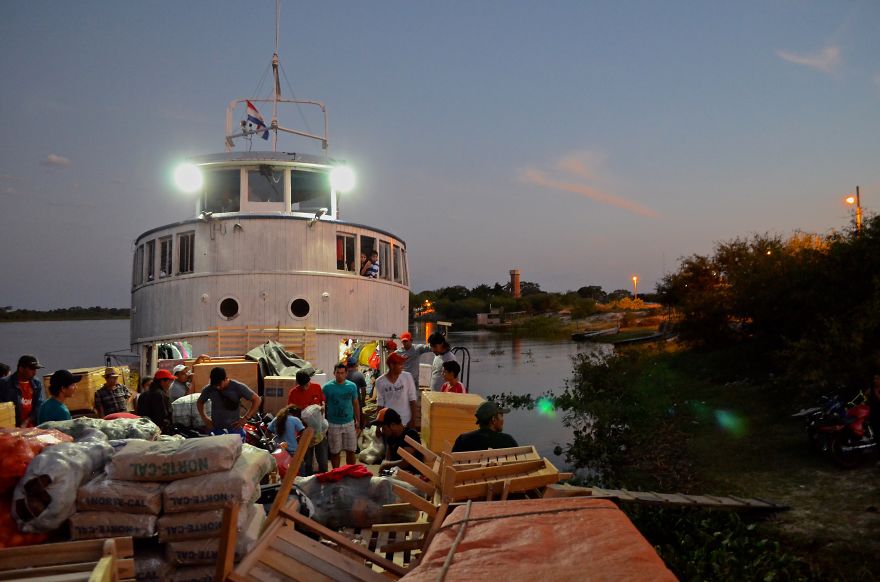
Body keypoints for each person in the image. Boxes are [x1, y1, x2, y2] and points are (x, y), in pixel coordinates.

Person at [197, 366, 261, 436]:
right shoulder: (209, 389)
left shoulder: (237, 387)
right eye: (215, 385)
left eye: (219, 384)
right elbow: (200, 402)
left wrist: (246, 418)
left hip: (234, 429)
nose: (217, 387)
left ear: (225, 379)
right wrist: (204, 418)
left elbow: (257, 400)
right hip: (216, 429)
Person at [287, 370, 329, 474]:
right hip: (304, 432)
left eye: (307, 384)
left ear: (310, 380)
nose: (305, 387)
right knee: (307, 462)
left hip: (319, 431)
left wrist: (323, 407)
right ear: (297, 383)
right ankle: (308, 483)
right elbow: (291, 412)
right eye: (302, 386)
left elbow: (323, 401)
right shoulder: (293, 393)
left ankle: (325, 479)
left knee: (323, 460)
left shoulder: (317, 387)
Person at [322, 362, 361, 468]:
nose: (340, 375)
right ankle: (336, 473)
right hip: (333, 423)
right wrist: (323, 423)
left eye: (342, 373)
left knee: (351, 450)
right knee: (335, 452)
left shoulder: (352, 386)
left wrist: (358, 420)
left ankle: (351, 472)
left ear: (346, 373)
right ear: (334, 373)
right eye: (338, 373)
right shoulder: (327, 387)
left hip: (349, 422)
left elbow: (356, 403)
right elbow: (322, 406)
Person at [451, 401, 519, 452]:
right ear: (493, 420)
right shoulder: (508, 442)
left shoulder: (463, 440)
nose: (503, 420)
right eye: (501, 415)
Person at [0, 355, 45, 427]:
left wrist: (27, 421)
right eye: (32, 369)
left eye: (36, 369)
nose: (35, 372)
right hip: (10, 429)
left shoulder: (36, 383)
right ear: (21, 369)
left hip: (31, 428)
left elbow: (38, 405)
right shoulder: (4, 383)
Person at [374, 353, 417, 428]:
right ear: (391, 365)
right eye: (400, 364)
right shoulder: (379, 381)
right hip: (388, 423)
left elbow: (413, 399)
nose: (402, 366)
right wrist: (378, 426)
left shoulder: (407, 377)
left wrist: (413, 419)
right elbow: (380, 404)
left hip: (405, 421)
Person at [374, 407, 422, 473]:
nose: (382, 431)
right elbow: (387, 460)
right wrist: (385, 467)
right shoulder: (390, 437)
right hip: (396, 473)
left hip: (412, 476)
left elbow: (405, 463)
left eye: (384, 428)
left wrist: (386, 464)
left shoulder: (410, 434)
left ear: (393, 425)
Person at [346, 357, 368, 425]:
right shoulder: (359, 375)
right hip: (356, 401)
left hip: (345, 401)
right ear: (355, 365)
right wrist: (363, 401)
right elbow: (363, 390)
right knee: (358, 419)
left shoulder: (343, 374)